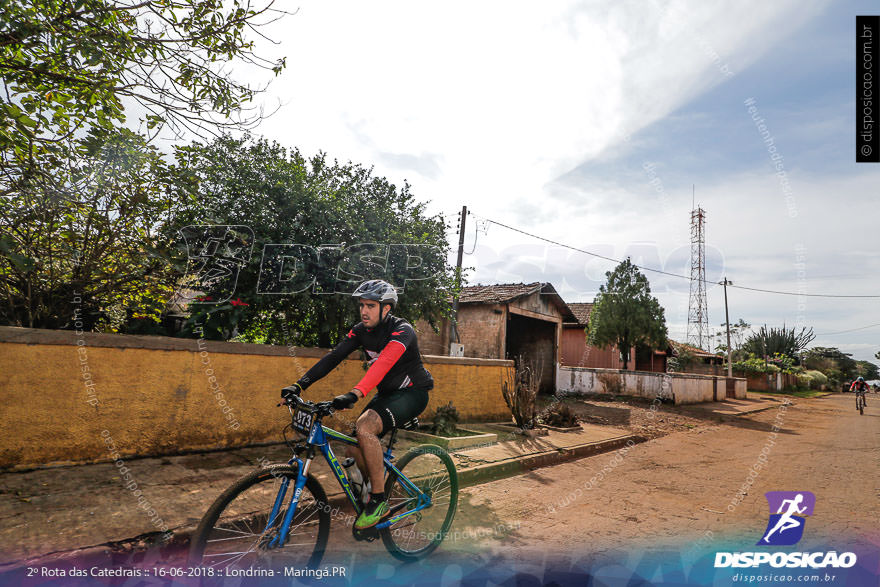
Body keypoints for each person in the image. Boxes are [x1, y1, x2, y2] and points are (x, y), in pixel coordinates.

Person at [281, 279, 433, 530]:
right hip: (387, 395)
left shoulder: (402, 330)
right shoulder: (361, 331)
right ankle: (373, 487)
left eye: (371, 305)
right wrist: (299, 385)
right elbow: (334, 357)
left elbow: (384, 363)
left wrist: (355, 394)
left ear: (387, 308)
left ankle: (379, 500)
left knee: (365, 427)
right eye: (362, 305)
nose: (364, 311)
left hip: (413, 393)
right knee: (352, 450)